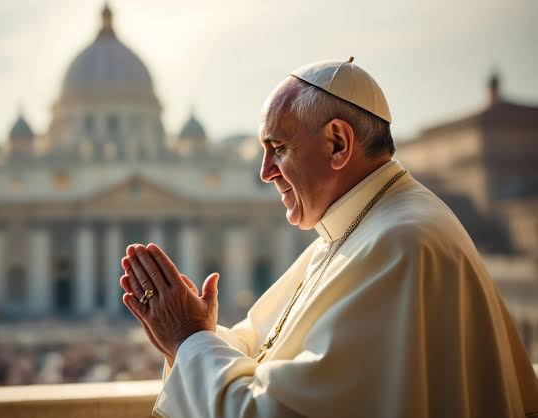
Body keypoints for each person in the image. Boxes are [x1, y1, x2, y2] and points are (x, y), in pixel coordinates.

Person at [119, 58, 538, 418]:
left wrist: (190, 339)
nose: (264, 172)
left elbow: (279, 411)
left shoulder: (398, 243)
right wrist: (196, 333)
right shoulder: (356, 229)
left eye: (278, 148)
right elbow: (262, 350)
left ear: (338, 143)